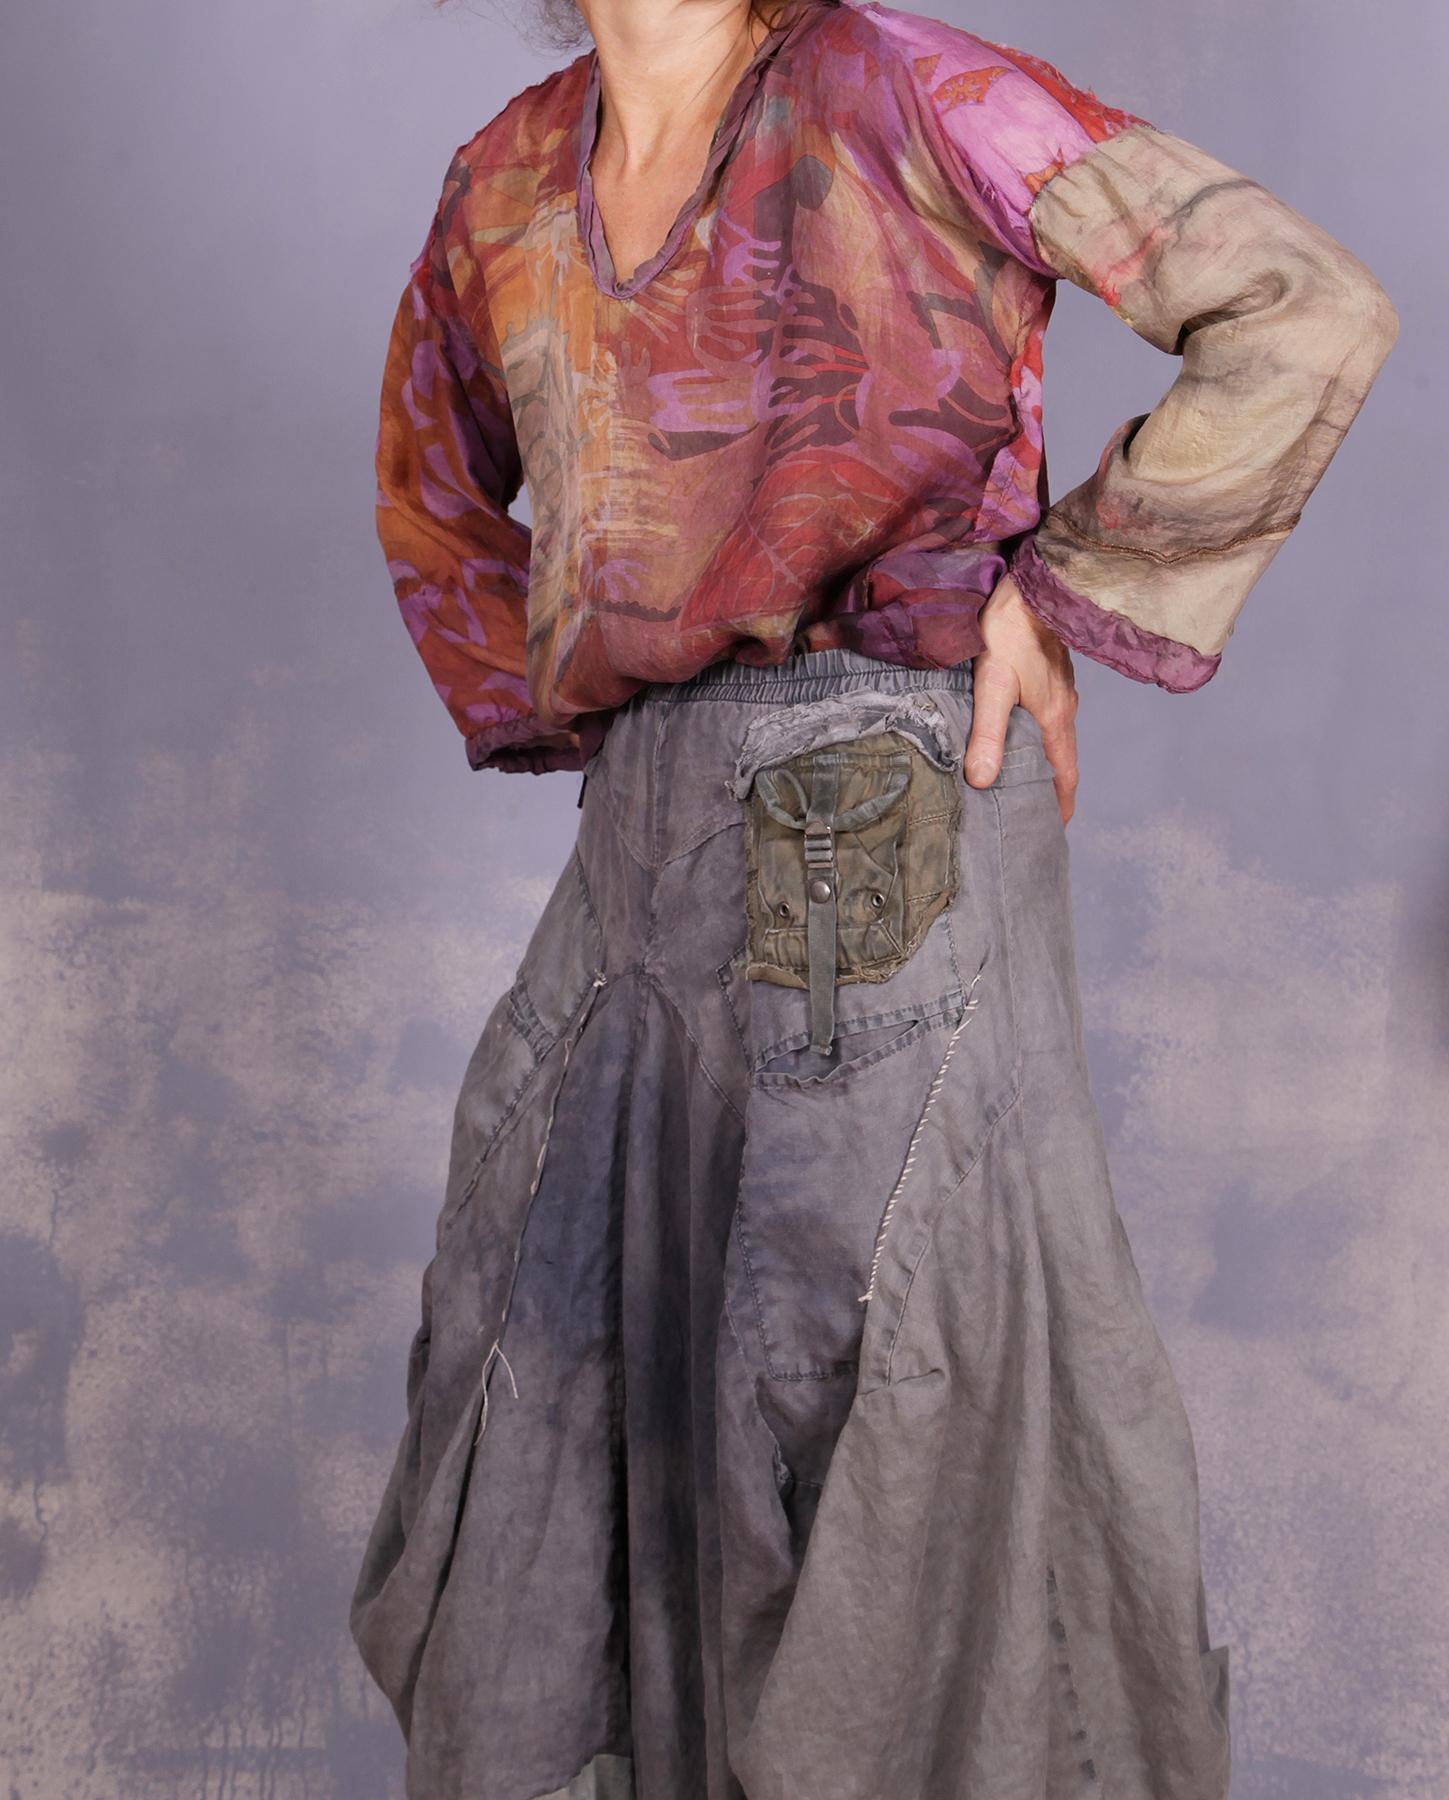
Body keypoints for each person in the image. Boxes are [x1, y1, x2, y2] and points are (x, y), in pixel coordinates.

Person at [348, 1, 1398, 1795]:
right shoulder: (506, 177)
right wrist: (603, 707)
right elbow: (430, 493)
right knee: (564, 1379)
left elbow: (1299, 310)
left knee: (870, 1386)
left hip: (882, 816)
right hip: (644, 859)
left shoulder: (905, 85)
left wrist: (1059, 591)